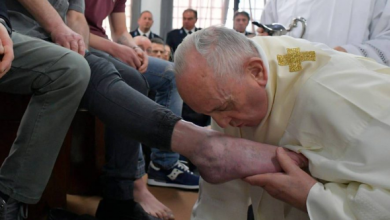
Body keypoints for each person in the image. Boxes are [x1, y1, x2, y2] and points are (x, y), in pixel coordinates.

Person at [174, 26, 390, 220]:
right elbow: (221, 199)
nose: (221, 122)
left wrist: (312, 197)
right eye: (208, 113)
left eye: (222, 108)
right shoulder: (232, 78)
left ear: (257, 72)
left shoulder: (336, 97)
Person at [83, 0, 201, 192]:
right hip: (84, 44)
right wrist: (115, 49)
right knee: (132, 78)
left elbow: (120, 32)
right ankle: (134, 181)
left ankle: (163, 165)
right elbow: (71, 26)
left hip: (105, 45)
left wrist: (134, 48)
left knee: (172, 74)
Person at [0, 0, 90, 219]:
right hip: (30, 32)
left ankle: (10, 198)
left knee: (76, 69)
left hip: (14, 34)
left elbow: (76, 17)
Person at [257, 0, 390, 66]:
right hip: (286, 91)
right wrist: (266, 42)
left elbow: (386, 41)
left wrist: (344, 54)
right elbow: (267, 32)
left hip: (347, 91)